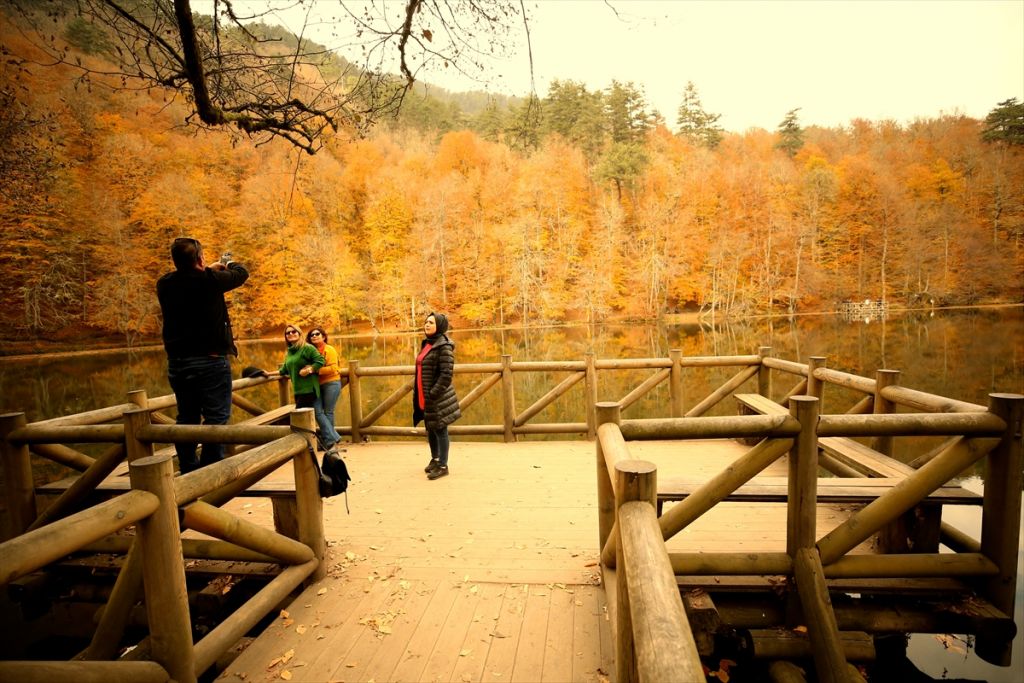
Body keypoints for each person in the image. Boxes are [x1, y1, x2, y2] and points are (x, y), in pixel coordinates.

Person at [156, 237, 249, 474]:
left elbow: (189, 278)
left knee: (186, 417)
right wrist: (227, 263)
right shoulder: (210, 280)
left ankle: (188, 469)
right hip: (210, 359)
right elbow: (242, 273)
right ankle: (207, 473)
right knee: (216, 419)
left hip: (178, 362)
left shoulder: (165, 284)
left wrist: (209, 269)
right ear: (200, 258)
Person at [413, 312, 461, 480]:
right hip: (423, 394)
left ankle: (443, 465)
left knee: (440, 429)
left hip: (436, 396)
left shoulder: (444, 346)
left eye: (431, 323)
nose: (427, 325)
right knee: (430, 428)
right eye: (426, 322)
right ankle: (435, 459)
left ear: (440, 326)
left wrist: (433, 393)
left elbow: (446, 375)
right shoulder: (428, 344)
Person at [307, 326, 344, 452]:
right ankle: (333, 438)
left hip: (331, 383)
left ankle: (327, 442)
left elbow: (334, 368)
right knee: (318, 412)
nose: (314, 336)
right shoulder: (309, 351)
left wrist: (314, 370)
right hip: (316, 386)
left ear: (323, 336)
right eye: (312, 335)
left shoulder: (330, 350)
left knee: (328, 412)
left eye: (317, 334)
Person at [278, 324, 325, 412]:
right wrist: (266, 373)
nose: (291, 333)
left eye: (294, 331)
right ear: (286, 336)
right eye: (288, 333)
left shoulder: (307, 348)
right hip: (298, 391)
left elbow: (321, 361)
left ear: (299, 334)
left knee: (299, 418)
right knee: (304, 419)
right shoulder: (290, 351)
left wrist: (308, 370)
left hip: (309, 390)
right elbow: (283, 370)